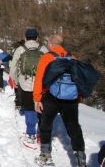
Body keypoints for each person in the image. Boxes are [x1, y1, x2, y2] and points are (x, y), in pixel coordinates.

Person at [33, 34, 86, 166]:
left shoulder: (47, 57)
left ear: (51, 43)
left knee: (45, 125)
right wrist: (78, 97)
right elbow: (77, 79)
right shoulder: (72, 58)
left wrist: (37, 99)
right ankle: (81, 159)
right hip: (71, 100)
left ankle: (45, 155)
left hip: (51, 98)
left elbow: (39, 79)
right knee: (74, 127)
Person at [9, 29, 48, 146]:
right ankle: (41, 135)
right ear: (37, 38)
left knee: (29, 108)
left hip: (25, 83)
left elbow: (13, 68)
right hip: (41, 84)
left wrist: (15, 81)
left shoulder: (20, 49)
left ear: (25, 38)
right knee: (41, 108)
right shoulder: (43, 49)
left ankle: (31, 134)